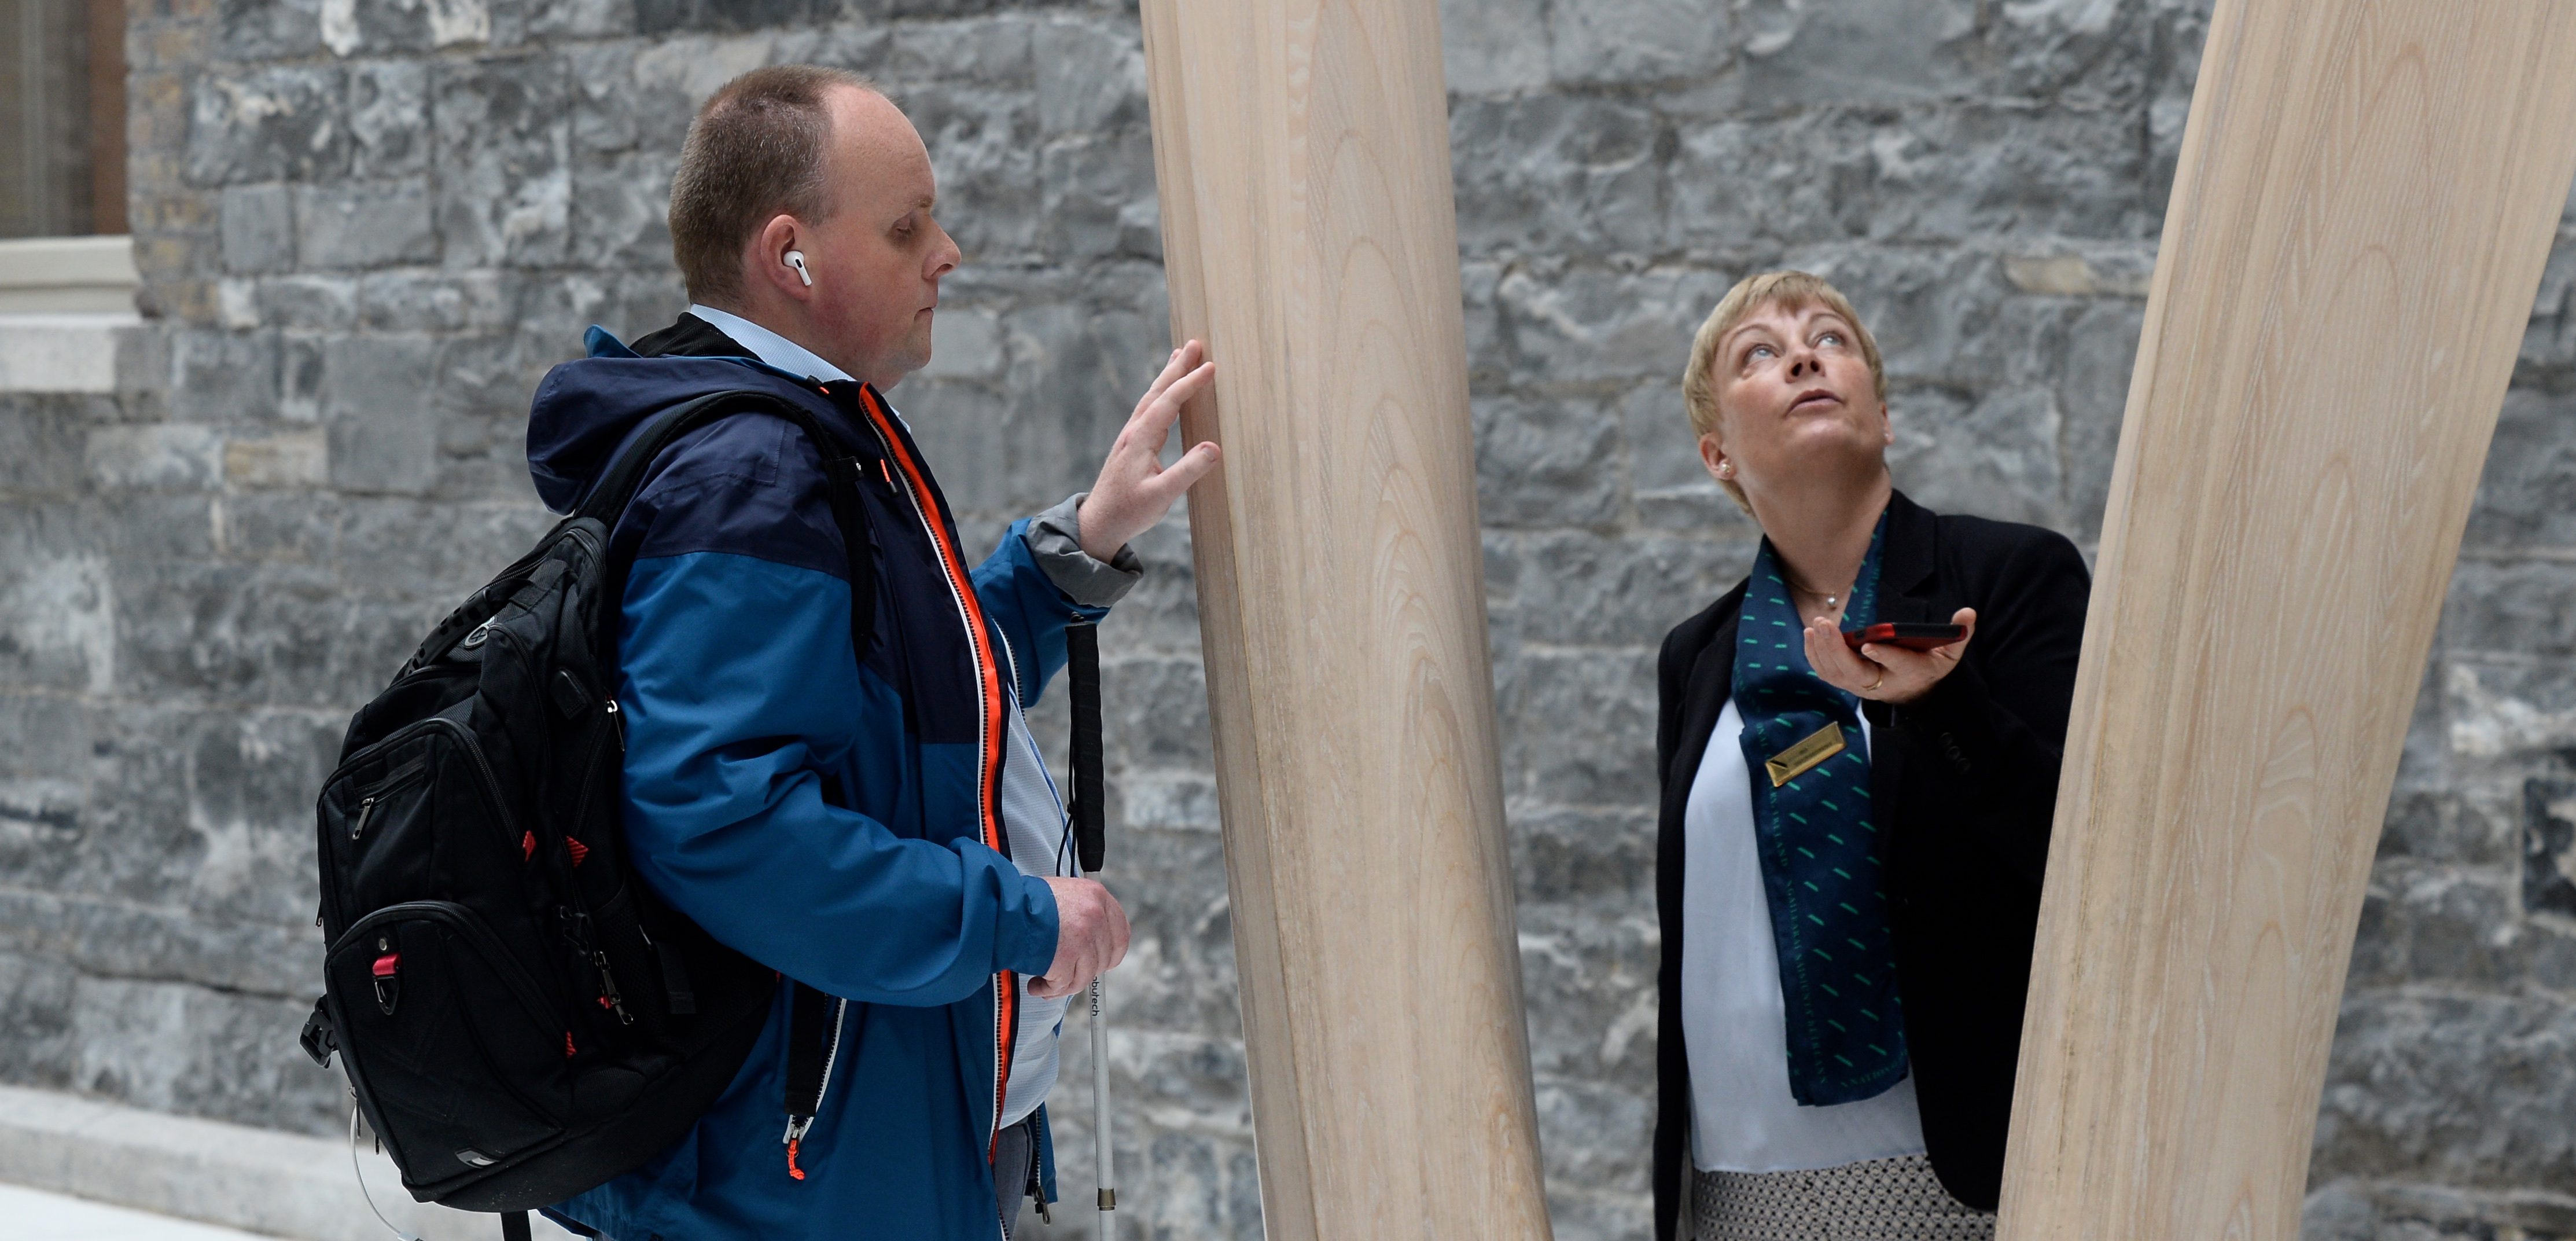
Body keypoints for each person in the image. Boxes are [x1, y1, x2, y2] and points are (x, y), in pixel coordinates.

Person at [521, 66, 1219, 1239]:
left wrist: (1076, 551)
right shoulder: (751, 478)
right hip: (805, 1174)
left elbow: (901, 713)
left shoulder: (813, 436)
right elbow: (721, 822)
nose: (947, 252)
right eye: (907, 226)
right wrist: (1020, 919)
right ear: (790, 256)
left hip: (873, 1134)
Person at [1650, 271, 2091, 1240]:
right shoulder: (1697, 657)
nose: (1805, 355)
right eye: (1758, 353)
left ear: (1882, 417)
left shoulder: (2009, 579)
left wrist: (1942, 706)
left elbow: (2089, 856)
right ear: (1717, 453)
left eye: (1831, 339)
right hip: (1738, 1176)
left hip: (1960, 1174)